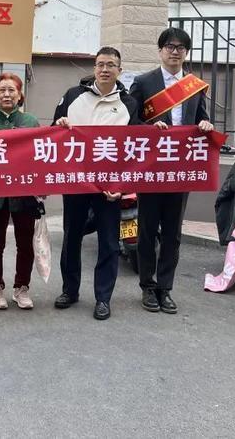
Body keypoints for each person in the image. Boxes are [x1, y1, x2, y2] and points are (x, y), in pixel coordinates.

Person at [129, 27, 214, 315]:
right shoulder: (143, 82)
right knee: (147, 230)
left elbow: (202, 119)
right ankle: (147, 286)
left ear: (186, 52)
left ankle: (165, 288)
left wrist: (206, 124)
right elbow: (131, 121)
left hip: (180, 169)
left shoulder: (194, 86)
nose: (174, 51)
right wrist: (148, 127)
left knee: (172, 233)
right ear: (160, 50)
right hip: (152, 168)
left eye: (180, 47)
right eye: (169, 46)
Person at [52, 47, 141, 321]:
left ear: (119, 71)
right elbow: (53, 135)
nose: (104, 69)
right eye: (100, 64)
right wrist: (59, 123)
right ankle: (70, 290)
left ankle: (103, 298)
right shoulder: (72, 96)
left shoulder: (129, 104)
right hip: (77, 182)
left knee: (109, 243)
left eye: (110, 65)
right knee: (72, 237)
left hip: (110, 187)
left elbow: (134, 148)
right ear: (94, 68)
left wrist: (122, 185)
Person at [0, 73, 41, 310]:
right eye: (2, 90)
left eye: (12, 90)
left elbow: (39, 157)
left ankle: (22, 287)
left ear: (20, 95)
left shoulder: (30, 122)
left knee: (25, 243)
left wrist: (41, 187)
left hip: (24, 192)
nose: (7, 94)